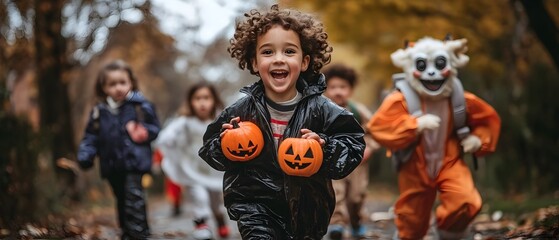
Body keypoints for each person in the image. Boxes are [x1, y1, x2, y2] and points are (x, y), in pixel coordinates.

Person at [198, 4, 365, 239]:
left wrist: (325, 146)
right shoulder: (241, 111)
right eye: (267, 52)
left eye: (289, 51)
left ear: (304, 62)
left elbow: (353, 143)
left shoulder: (323, 109)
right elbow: (209, 148)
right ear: (255, 63)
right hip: (255, 206)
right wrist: (223, 144)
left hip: (309, 209)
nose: (278, 59)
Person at [368, 37, 501, 239]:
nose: (432, 73)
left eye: (439, 64)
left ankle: (449, 233)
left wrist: (477, 139)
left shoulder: (460, 98)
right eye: (422, 65)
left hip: (450, 160)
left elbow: (487, 120)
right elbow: (379, 127)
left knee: (464, 201)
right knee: (412, 218)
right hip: (414, 164)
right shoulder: (400, 99)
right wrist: (414, 125)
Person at [77, 59, 160, 239]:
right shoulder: (99, 111)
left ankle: (138, 234)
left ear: (131, 82)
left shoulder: (140, 106)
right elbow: (91, 136)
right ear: (104, 88)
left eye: (122, 82)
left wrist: (144, 132)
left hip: (134, 161)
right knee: (121, 198)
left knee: (134, 197)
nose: (118, 88)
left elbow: (154, 128)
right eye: (112, 84)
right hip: (111, 164)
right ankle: (129, 230)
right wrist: (86, 154)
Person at [156, 82, 230, 239]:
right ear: (191, 101)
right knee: (199, 197)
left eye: (206, 98)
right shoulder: (185, 121)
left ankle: (219, 218)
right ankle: (201, 225)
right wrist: (169, 139)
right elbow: (168, 133)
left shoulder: (220, 119)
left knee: (214, 202)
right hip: (192, 168)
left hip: (212, 169)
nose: (202, 102)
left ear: (214, 100)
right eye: (197, 98)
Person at [323, 64, 380, 239]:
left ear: (350, 90)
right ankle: (336, 225)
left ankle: (356, 222)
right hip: (332, 160)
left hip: (357, 162)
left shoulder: (358, 111)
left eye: (342, 87)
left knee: (356, 197)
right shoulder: (323, 110)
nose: (338, 92)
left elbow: (373, 132)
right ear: (326, 90)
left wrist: (369, 147)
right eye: (333, 87)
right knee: (335, 193)